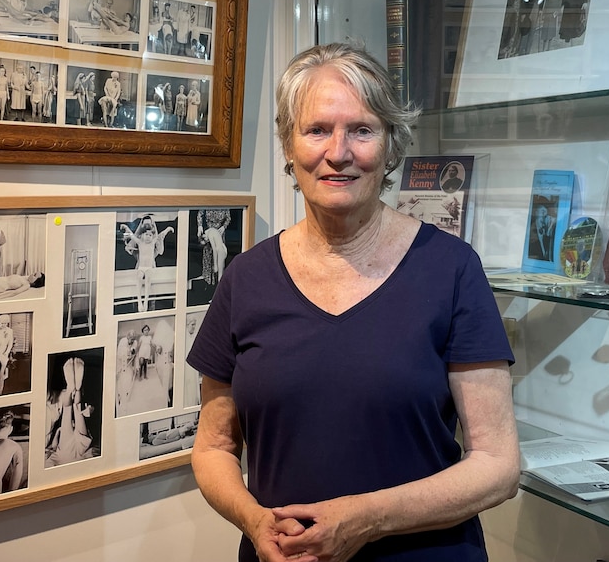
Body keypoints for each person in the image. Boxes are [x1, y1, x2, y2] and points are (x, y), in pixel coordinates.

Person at [188, 42, 519, 562]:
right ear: (288, 145)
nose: (338, 153)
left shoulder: (451, 269)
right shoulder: (245, 279)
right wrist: (255, 522)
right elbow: (213, 448)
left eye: (362, 130)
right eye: (317, 130)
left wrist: (365, 519)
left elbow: (498, 465)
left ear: (390, 146)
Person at [45, 357, 97, 467]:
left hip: (77, 453)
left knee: (77, 412)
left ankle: (76, 388)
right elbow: (53, 447)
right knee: (68, 411)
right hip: (64, 451)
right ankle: (71, 388)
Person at [120, 222, 175, 312]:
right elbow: (132, 235)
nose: (148, 236)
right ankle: (139, 302)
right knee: (138, 278)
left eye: (150, 235)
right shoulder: (140, 243)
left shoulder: (152, 243)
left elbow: (161, 235)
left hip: (149, 268)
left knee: (148, 280)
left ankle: (145, 302)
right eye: (146, 234)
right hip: (141, 267)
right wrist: (126, 227)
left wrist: (168, 229)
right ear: (142, 235)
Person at [196, 209, 230, 288]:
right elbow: (200, 212)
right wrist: (200, 225)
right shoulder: (209, 234)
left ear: (204, 236)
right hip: (220, 247)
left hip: (220, 237)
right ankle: (210, 285)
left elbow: (215, 250)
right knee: (209, 261)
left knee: (219, 272)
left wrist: (224, 226)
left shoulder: (210, 234)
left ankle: (219, 290)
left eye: (205, 240)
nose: (207, 240)